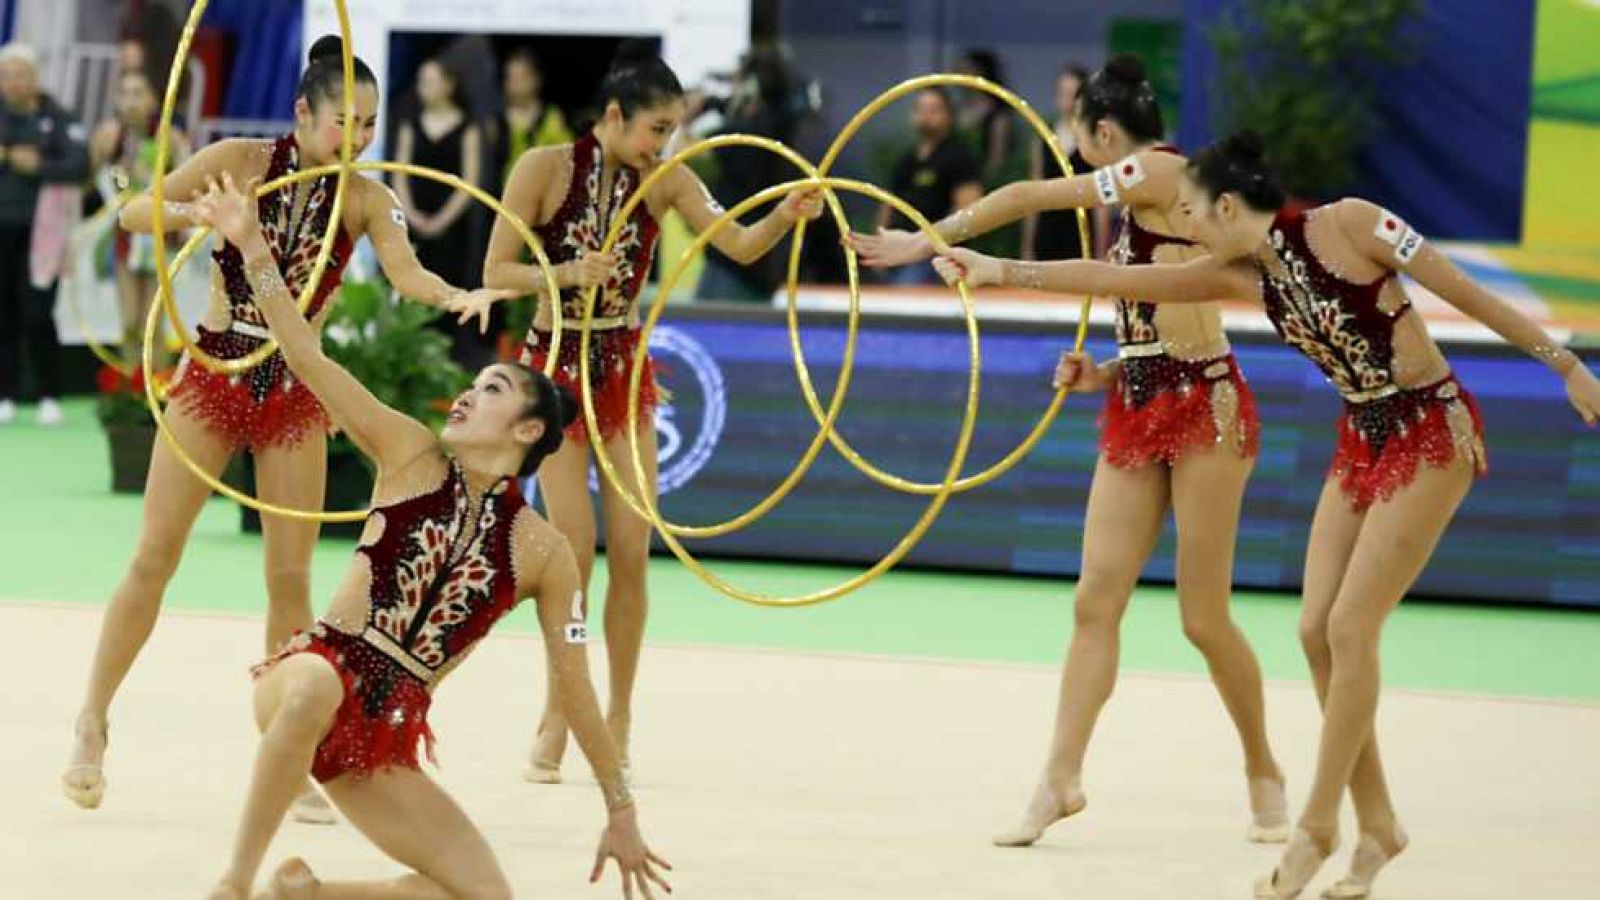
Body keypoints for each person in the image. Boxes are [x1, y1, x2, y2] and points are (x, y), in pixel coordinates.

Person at [933, 130, 1600, 899]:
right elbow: (1113, 276)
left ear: (1225, 206)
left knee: (1350, 628)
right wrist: (999, 270)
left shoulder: (1352, 223)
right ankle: (1378, 826)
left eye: (1190, 213)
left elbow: (1467, 294)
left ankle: (1317, 829)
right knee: (1316, 631)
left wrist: (1567, 365)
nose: (1183, 227)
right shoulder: (1243, 274)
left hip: (1431, 429)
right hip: (1363, 435)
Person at [187, 171, 669, 900]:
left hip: (380, 738)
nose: (469, 393)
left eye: (493, 391)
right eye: (476, 385)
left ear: (527, 431)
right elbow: (309, 357)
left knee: (484, 897)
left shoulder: (545, 553)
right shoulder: (409, 452)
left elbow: (574, 688)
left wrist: (620, 808)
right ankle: (235, 883)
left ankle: (308, 895)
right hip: (308, 680)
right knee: (314, 685)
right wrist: (252, 244)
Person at [61, 36, 501, 822]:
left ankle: (287, 754)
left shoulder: (366, 199)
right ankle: (93, 717)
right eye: (344, 120)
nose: (358, 137)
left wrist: (455, 295)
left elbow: (407, 273)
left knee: (290, 579)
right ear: (302, 111)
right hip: (216, 372)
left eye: (369, 123)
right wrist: (197, 212)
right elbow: (133, 210)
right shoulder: (240, 159)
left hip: (297, 390)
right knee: (155, 554)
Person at [852, 55, 1286, 848]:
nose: (1077, 151)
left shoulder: (1159, 171)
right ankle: (1060, 778)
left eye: (1080, 137)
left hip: (1207, 405)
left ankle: (1264, 767)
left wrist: (926, 242)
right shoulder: (1149, 194)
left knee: (1203, 618)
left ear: (1105, 134)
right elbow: (1155, 310)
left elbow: (1025, 197)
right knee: (1095, 598)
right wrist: (1108, 371)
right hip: (1140, 399)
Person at [479, 41, 822, 784]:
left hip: (622, 369)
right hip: (555, 373)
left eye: (671, 131)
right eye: (654, 129)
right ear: (614, 115)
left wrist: (786, 214)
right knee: (572, 552)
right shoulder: (542, 169)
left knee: (632, 551)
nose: (662, 144)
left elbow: (738, 243)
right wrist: (566, 271)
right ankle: (560, 707)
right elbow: (496, 269)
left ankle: (620, 714)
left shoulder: (665, 179)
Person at [0, 42, 89, 426]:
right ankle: (6, 394)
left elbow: (79, 165)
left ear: (35, 77)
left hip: (45, 234)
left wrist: (36, 165)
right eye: (6, 75)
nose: (14, 82)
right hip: (3, 228)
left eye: (21, 74)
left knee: (38, 313)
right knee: (3, 312)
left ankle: (49, 393)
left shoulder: (59, 118)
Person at [89, 65, 191, 359]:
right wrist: (115, 170)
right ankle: (130, 380)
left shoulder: (170, 137)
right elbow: (94, 183)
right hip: (125, 233)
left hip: (160, 233)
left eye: (138, 93)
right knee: (130, 321)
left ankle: (156, 381)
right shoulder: (109, 137)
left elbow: (188, 182)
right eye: (124, 94)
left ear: (153, 100)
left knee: (153, 320)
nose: (131, 101)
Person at [393, 57, 489, 367]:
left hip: (451, 226)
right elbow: (399, 172)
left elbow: (469, 183)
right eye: (421, 82)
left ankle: (449, 362)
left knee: (449, 288)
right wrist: (410, 214)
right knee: (411, 285)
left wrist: (440, 222)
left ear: (449, 85)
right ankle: (411, 359)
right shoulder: (411, 122)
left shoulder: (467, 126)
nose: (424, 88)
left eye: (431, 82)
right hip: (414, 219)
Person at [873, 87, 982, 286]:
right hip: (899, 249)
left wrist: (932, 243)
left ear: (948, 115)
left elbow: (968, 209)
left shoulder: (958, 156)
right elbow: (888, 203)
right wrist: (878, 243)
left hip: (935, 256)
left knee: (909, 286)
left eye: (934, 110)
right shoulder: (907, 160)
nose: (926, 116)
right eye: (921, 109)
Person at [1021, 63, 1107, 262]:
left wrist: (1101, 250)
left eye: (1072, 94)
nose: (1066, 100)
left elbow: (1101, 202)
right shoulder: (1044, 137)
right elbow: (1033, 192)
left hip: (1079, 229)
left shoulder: (1095, 140)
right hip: (1048, 228)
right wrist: (1027, 245)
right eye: (1062, 93)